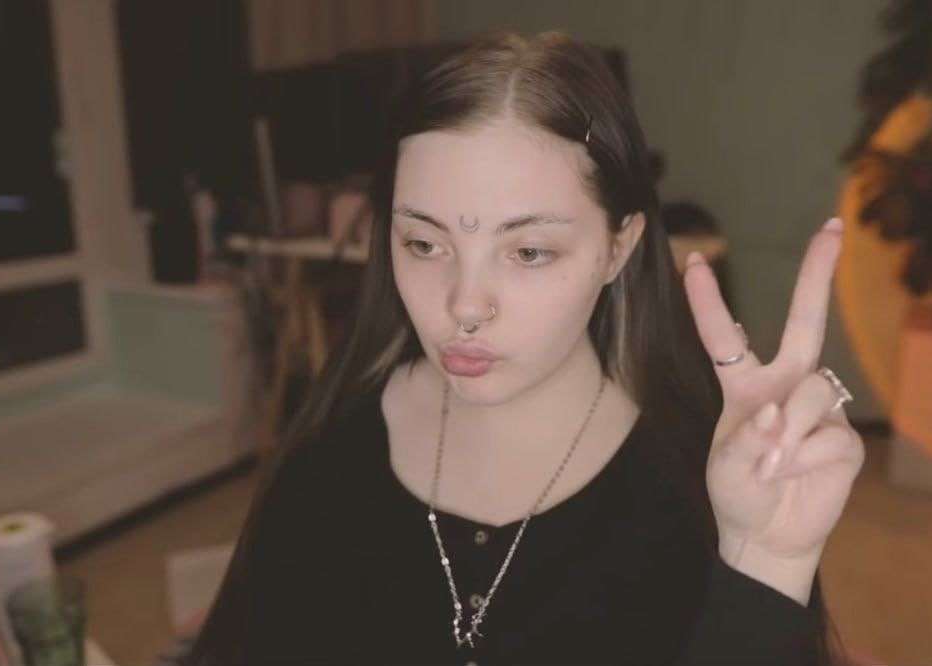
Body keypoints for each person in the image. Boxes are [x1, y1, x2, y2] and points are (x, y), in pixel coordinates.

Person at [184, 30, 863, 666]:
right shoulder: (328, 459)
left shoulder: (691, 490)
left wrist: (766, 565)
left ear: (617, 248)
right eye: (424, 243)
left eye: (529, 251)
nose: (465, 305)